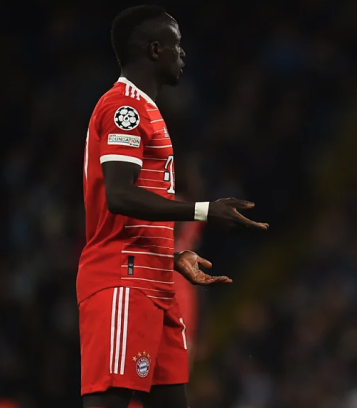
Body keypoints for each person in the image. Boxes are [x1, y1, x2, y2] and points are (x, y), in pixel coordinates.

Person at [78, 5, 268, 408]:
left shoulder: (149, 111)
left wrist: (171, 254)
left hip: (157, 284)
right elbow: (120, 195)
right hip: (122, 282)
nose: (183, 55)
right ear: (154, 49)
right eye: (176, 46)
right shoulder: (123, 109)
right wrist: (204, 210)